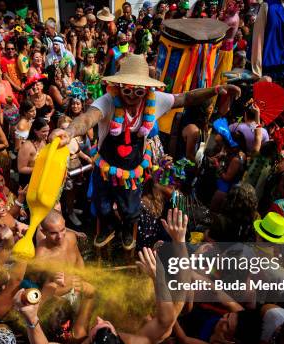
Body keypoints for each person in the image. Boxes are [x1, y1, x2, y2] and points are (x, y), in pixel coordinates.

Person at [50, 54, 241, 249]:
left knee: (131, 210)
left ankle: (126, 229)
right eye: (127, 90)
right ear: (118, 86)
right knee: (102, 206)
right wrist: (69, 132)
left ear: (147, 90)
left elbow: (186, 97)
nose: (132, 96)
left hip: (133, 172)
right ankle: (107, 227)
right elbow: (88, 118)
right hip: (105, 170)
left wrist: (216, 90)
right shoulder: (107, 101)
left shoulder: (154, 100)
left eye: (138, 92)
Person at [14, 209, 189, 344]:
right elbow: (176, 303)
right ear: (118, 339)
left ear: (89, 343)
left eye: (97, 327)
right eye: (106, 325)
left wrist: (31, 320)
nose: (99, 319)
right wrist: (179, 243)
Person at [17, 118, 49, 188]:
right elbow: (21, 168)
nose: (46, 134)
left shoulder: (43, 141)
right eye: (43, 131)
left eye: (48, 131)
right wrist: (40, 169)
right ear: (35, 131)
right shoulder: (27, 146)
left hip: (40, 179)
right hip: (28, 182)